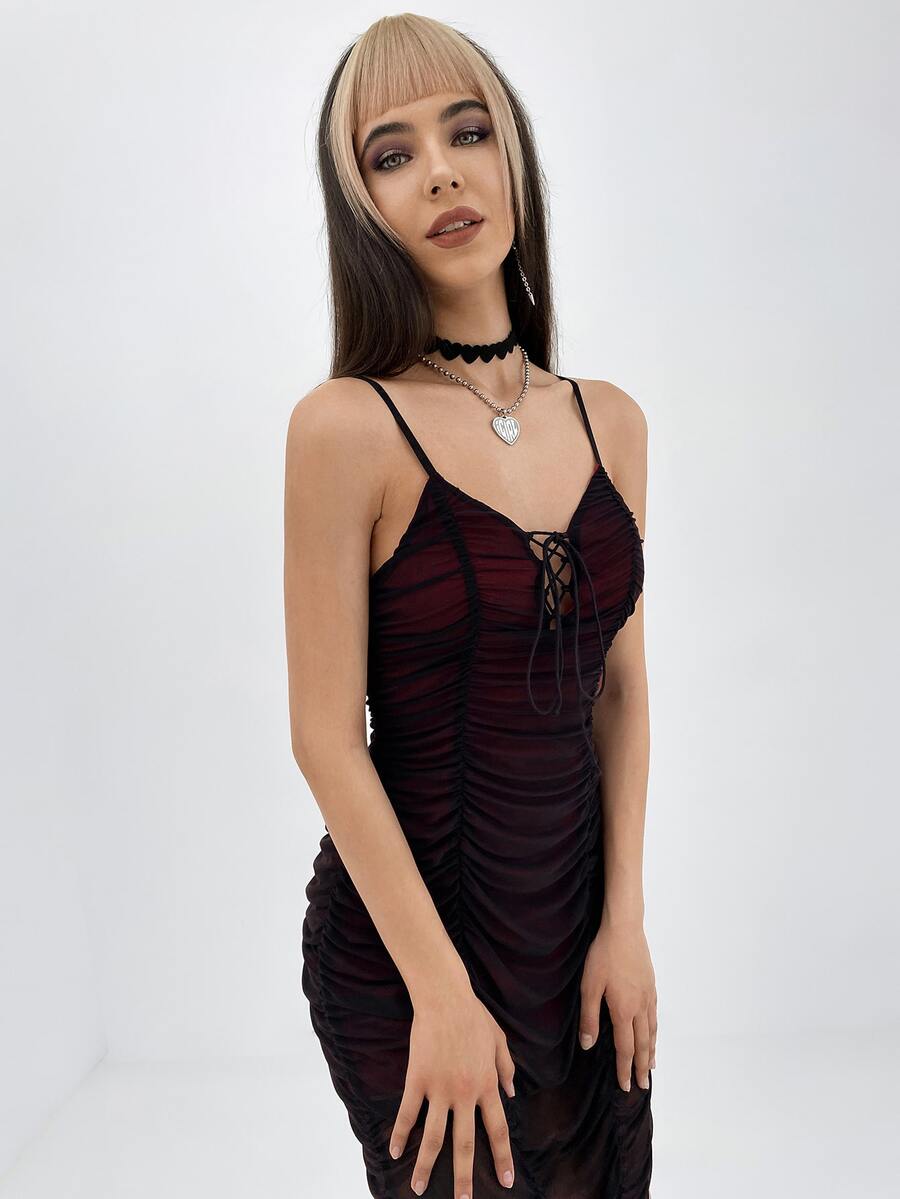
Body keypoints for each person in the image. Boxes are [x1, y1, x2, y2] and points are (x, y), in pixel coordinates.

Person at [284, 14, 655, 1198]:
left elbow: (621, 689)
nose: (441, 172)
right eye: (392, 154)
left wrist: (627, 920)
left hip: (578, 940)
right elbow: (326, 736)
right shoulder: (346, 426)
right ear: (361, 205)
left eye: (469, 131)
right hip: (407, 956)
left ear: (514, 156)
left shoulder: (611, 420)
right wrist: (440, 993)